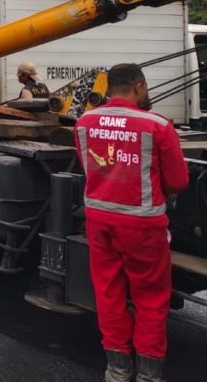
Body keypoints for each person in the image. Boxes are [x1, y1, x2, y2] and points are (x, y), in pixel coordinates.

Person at [75, 63, 189, 382]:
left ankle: (117, 368)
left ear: (110, 88)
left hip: (99, 219)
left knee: (109, 292)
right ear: (139, 86)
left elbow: (90, 168)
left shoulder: (85, 121)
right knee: (150, 297)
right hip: (142, 225)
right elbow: (178, 180)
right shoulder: (157, 124)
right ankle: (149, 373)